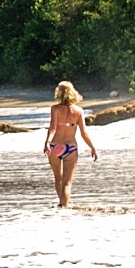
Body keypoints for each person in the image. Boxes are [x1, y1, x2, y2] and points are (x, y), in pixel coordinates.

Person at [43, 80, 97, 208]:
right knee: (67, 183)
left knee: (58, 179)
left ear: (59, 93)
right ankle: (65, 207)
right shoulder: (78, 111)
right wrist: (92, 147)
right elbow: (84, 133)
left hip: (55, 147)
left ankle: (62, 206)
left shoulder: (55, 109)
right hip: (71, 148)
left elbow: (53, 128)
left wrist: (47, 143)